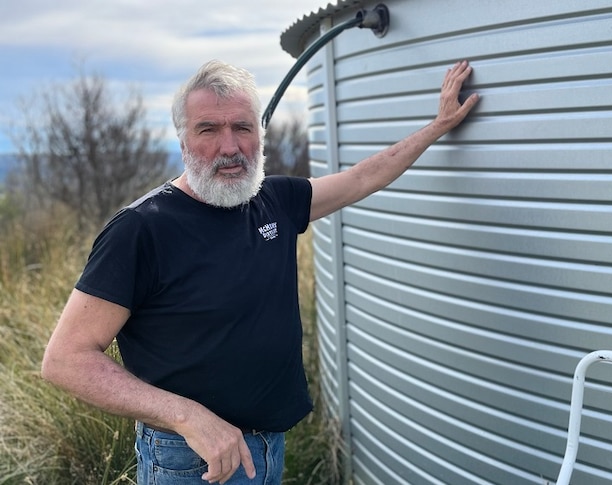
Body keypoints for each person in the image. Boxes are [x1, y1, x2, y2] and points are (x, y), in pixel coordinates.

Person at [41, 59, 479, 484]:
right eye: (208, 129)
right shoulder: (141, 229)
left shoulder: (274, 201)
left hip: (268, 448)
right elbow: (66, 359)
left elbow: (365, 177)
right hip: (190, 459)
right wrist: (188, 417)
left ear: (260, 135)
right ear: (182, 139)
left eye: (242, 128)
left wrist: (438, 126)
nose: (229, 147)